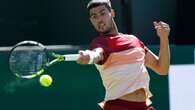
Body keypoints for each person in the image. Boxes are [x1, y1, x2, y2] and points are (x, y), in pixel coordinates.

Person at [76, 0, 170, 110]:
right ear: (91, 20)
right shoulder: (99, 43)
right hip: (118, 107)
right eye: (94, 16)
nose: (99, 19)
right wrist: (89, 57)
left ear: (112, 13)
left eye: (103, 13)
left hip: (143, 106)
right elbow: (97, 53)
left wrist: (164, 38)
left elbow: (162, 69)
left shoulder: (134, 40)